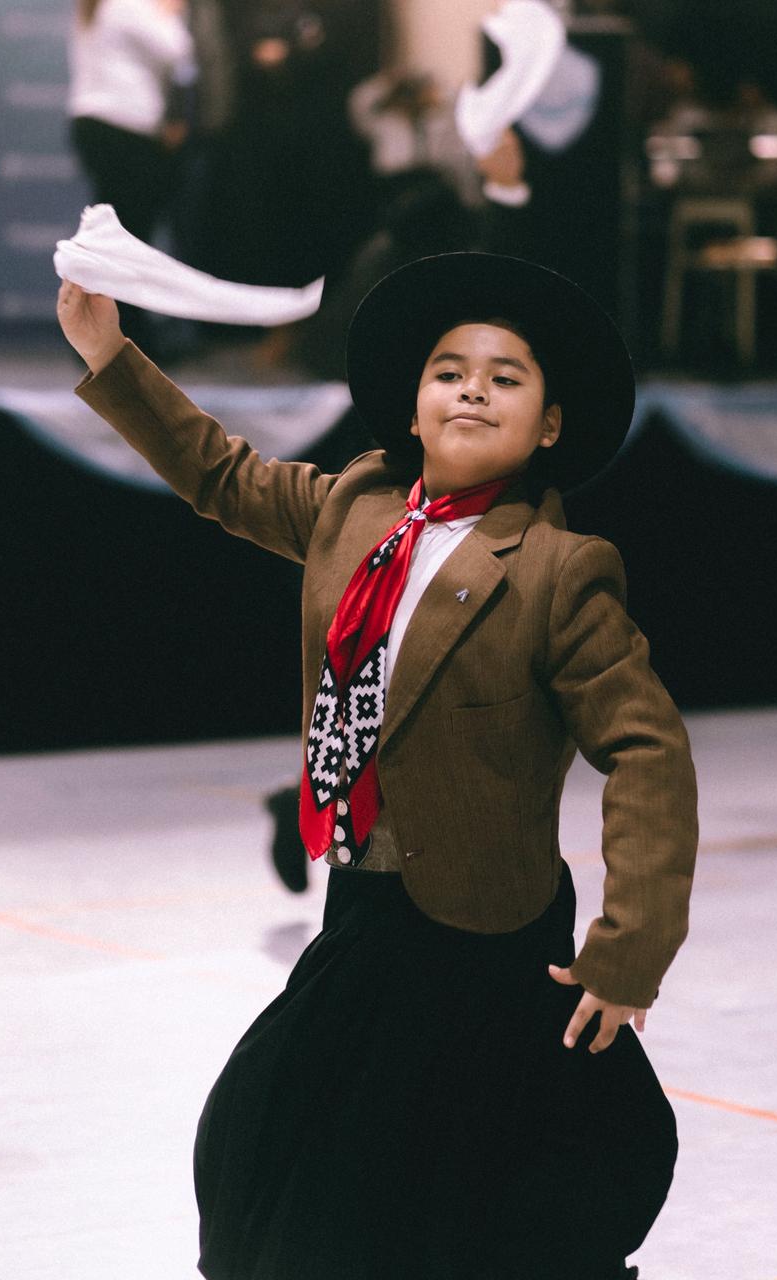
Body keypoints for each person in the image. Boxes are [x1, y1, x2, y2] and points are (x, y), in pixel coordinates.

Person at [56, 251, 698, 1279]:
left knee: (494, 1196)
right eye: (450, 371)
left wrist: (631, 949)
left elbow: (647, 750)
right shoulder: (354, 505)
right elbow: (219, 474)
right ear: (413, 407)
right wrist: (109, 353)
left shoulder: (559, 570)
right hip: (365, 907)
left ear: (549, 426)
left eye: (504, 376)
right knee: (264, 1146)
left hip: (492, 939)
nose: (472, 388)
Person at [67, 0, 195, 352]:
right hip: (125, 130)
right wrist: (169, 11)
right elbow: (178, 49)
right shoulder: (127, 4)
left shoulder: (98, 7)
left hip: (97, 125)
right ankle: (127, 339)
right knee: (130, 239)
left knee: (119, 238)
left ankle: (109, 335)